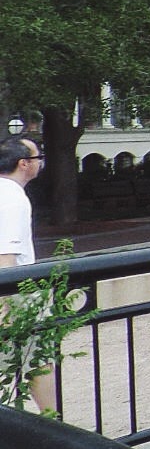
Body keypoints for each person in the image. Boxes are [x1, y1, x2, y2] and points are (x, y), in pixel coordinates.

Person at [0, 134, 55, 410]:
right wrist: (7, 307)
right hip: (19, 291)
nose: (40, 163)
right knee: (38, 359)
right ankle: (54, 426)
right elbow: (5, 254)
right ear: (24, 164)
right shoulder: (13, 198)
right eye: (37, 158)